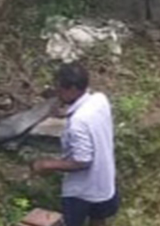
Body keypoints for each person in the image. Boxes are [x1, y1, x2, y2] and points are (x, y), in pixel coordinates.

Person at [31, 63, 118, 226]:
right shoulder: (100, 100)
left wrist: (47, 164)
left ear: (72, 89)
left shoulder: (78, 122)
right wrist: (67, 113)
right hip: (105, 182)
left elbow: (83, 161)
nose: (57, 92)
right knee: (99, 219)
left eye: (59, 88)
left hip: (83, 191)